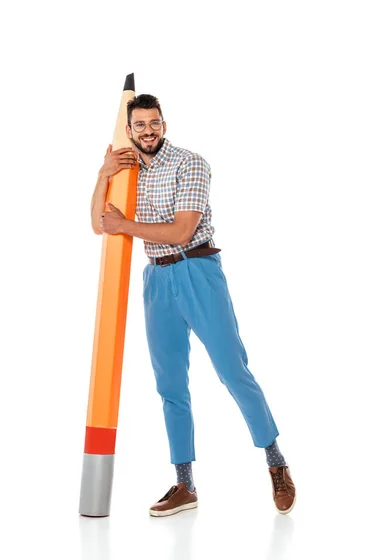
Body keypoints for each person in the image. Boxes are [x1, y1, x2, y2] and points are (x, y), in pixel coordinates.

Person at [90, 94, 296, 516]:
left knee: (232, 371)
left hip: (197, 269)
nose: (148, 131)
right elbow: (98, 224)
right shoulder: (125, 174)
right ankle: (185, 485)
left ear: (164, 124)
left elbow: (182, 231)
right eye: (140, 124)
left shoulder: (191, 163)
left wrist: (125, 225)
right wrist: (102, 174)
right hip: (156, 279)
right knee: (169, 386)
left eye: (155, 123)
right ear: (129, 130)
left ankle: (276, 462)